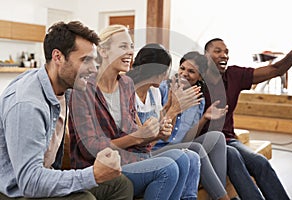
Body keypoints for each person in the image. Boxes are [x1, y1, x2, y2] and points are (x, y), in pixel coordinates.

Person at [0, 21, 133, 200]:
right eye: (86, 60)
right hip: (16, 191)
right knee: (84, 198)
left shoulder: (66, 88)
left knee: (119, 184)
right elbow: (29, 181)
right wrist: (92, 175)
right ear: (58, 57)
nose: (93, 69)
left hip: (44, 175)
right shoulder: (28, 104)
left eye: (94, 61)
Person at [68, 24, 198, 200]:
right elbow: (89, 148)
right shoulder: (83, 88)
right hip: (97, 167)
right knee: (168, 169)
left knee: (183, 159)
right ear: (104, 51)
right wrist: (138, 136)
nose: (130, 52)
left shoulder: (126, 84)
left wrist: (154, 134)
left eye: (131, 46)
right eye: (123, 46)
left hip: (128, 160)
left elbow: (136, 139)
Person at [201, 38, 292, 200]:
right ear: (205, 56)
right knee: (233, 156)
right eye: (217, 51)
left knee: (260, 162)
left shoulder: (234, 75)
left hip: (229, 139)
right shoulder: (196, 78)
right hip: (205, 142)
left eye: (226, 52)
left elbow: (275, 69)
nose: (224, 55)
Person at [126, 43, 202, 200]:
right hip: (131, 157)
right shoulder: (127, 92)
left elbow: (164, 136)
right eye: (166, 70)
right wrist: (174, 109)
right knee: (172, 165)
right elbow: (141, 141)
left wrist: (171, 106)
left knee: (190, 156)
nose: (167, 76)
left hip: (145, 152)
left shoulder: (154, 92)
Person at [152, 51, 230, 200]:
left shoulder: (198, 101)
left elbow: (188, 137)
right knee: (196, 148)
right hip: (156, 148)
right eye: (182, 68)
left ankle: (218, 194)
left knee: (218, 138)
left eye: (191, 71)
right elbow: (153, 127)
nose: (184, 74)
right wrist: (173, 107)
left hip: (179, 146)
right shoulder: (162, 88)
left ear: (200, 77)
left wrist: (205, 117)